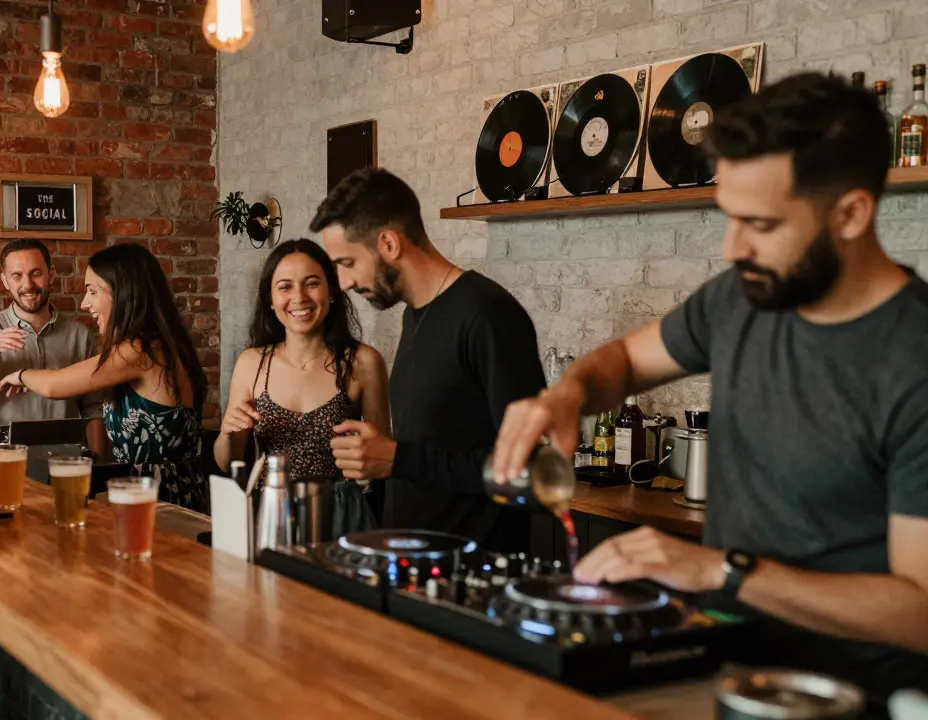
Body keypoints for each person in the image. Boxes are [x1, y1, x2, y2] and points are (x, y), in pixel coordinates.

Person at [491, 74, 928, 706]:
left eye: (759, 223)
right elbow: (623, 362)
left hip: (854, 698)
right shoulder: (741, 300)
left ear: (852, 213)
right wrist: (568, 395)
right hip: (724, 667)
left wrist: (724, 570)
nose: (732, 248)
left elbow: (919, 611)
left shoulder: (913, 362)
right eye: (729, 218)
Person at [310, 168, 546, 552]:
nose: (343, 283)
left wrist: (398, 458)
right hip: (415, 569)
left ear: (388, 243)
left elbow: (529, 469)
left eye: (347, 263)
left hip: (473, 582)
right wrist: (386, 454)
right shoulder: (413, 314)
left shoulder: (487, 315)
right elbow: (435, 444)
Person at [0, 243, 209, 513]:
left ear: (123, 294)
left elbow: (55, 385)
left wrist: (20, 374)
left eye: (93, 292)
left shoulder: (140, 351)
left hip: (162, 503)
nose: (85, 303)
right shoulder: (154, 345)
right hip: (145, 495)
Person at [216, 239, 389, 533]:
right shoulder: (252, 363)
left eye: (311, 283)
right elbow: (226, 461)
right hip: (270, 512)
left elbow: (383, 459)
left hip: (340, 517)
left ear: (332, 291)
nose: (299, 297)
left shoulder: (364, 362)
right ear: (270, 299)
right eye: (284, 287)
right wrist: (229, 433)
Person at [0, 238, 107, 457]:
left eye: (36, 273)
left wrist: (97, 463)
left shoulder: (81, 335)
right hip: (4, 461)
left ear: (52, 275)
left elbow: (93, 408)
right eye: (17, 276)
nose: (28, 284)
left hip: (67, 461)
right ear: (5, 281)